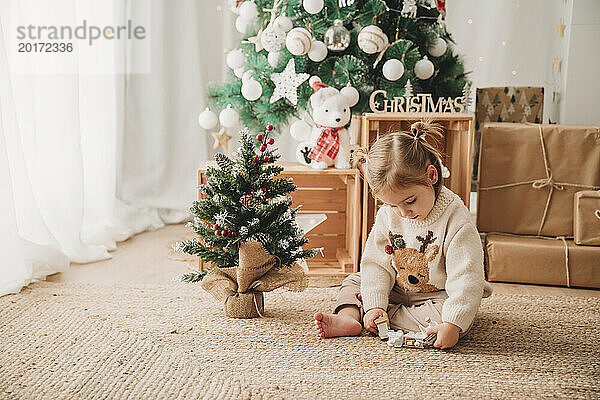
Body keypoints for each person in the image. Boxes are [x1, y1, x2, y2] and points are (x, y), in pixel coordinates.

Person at [314, 120, 492, 349]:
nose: (404, 213)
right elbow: (377, 264)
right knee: (355, 281)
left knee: (453, 316)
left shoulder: (456, 220)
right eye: (393, 205)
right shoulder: (389, 214)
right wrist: (375, 303)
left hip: (437, 294)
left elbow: (466, 279)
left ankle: (377, 317)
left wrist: (453, 323)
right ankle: (351, 318)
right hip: (396, 288)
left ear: (432, 176)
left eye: (410, 201)